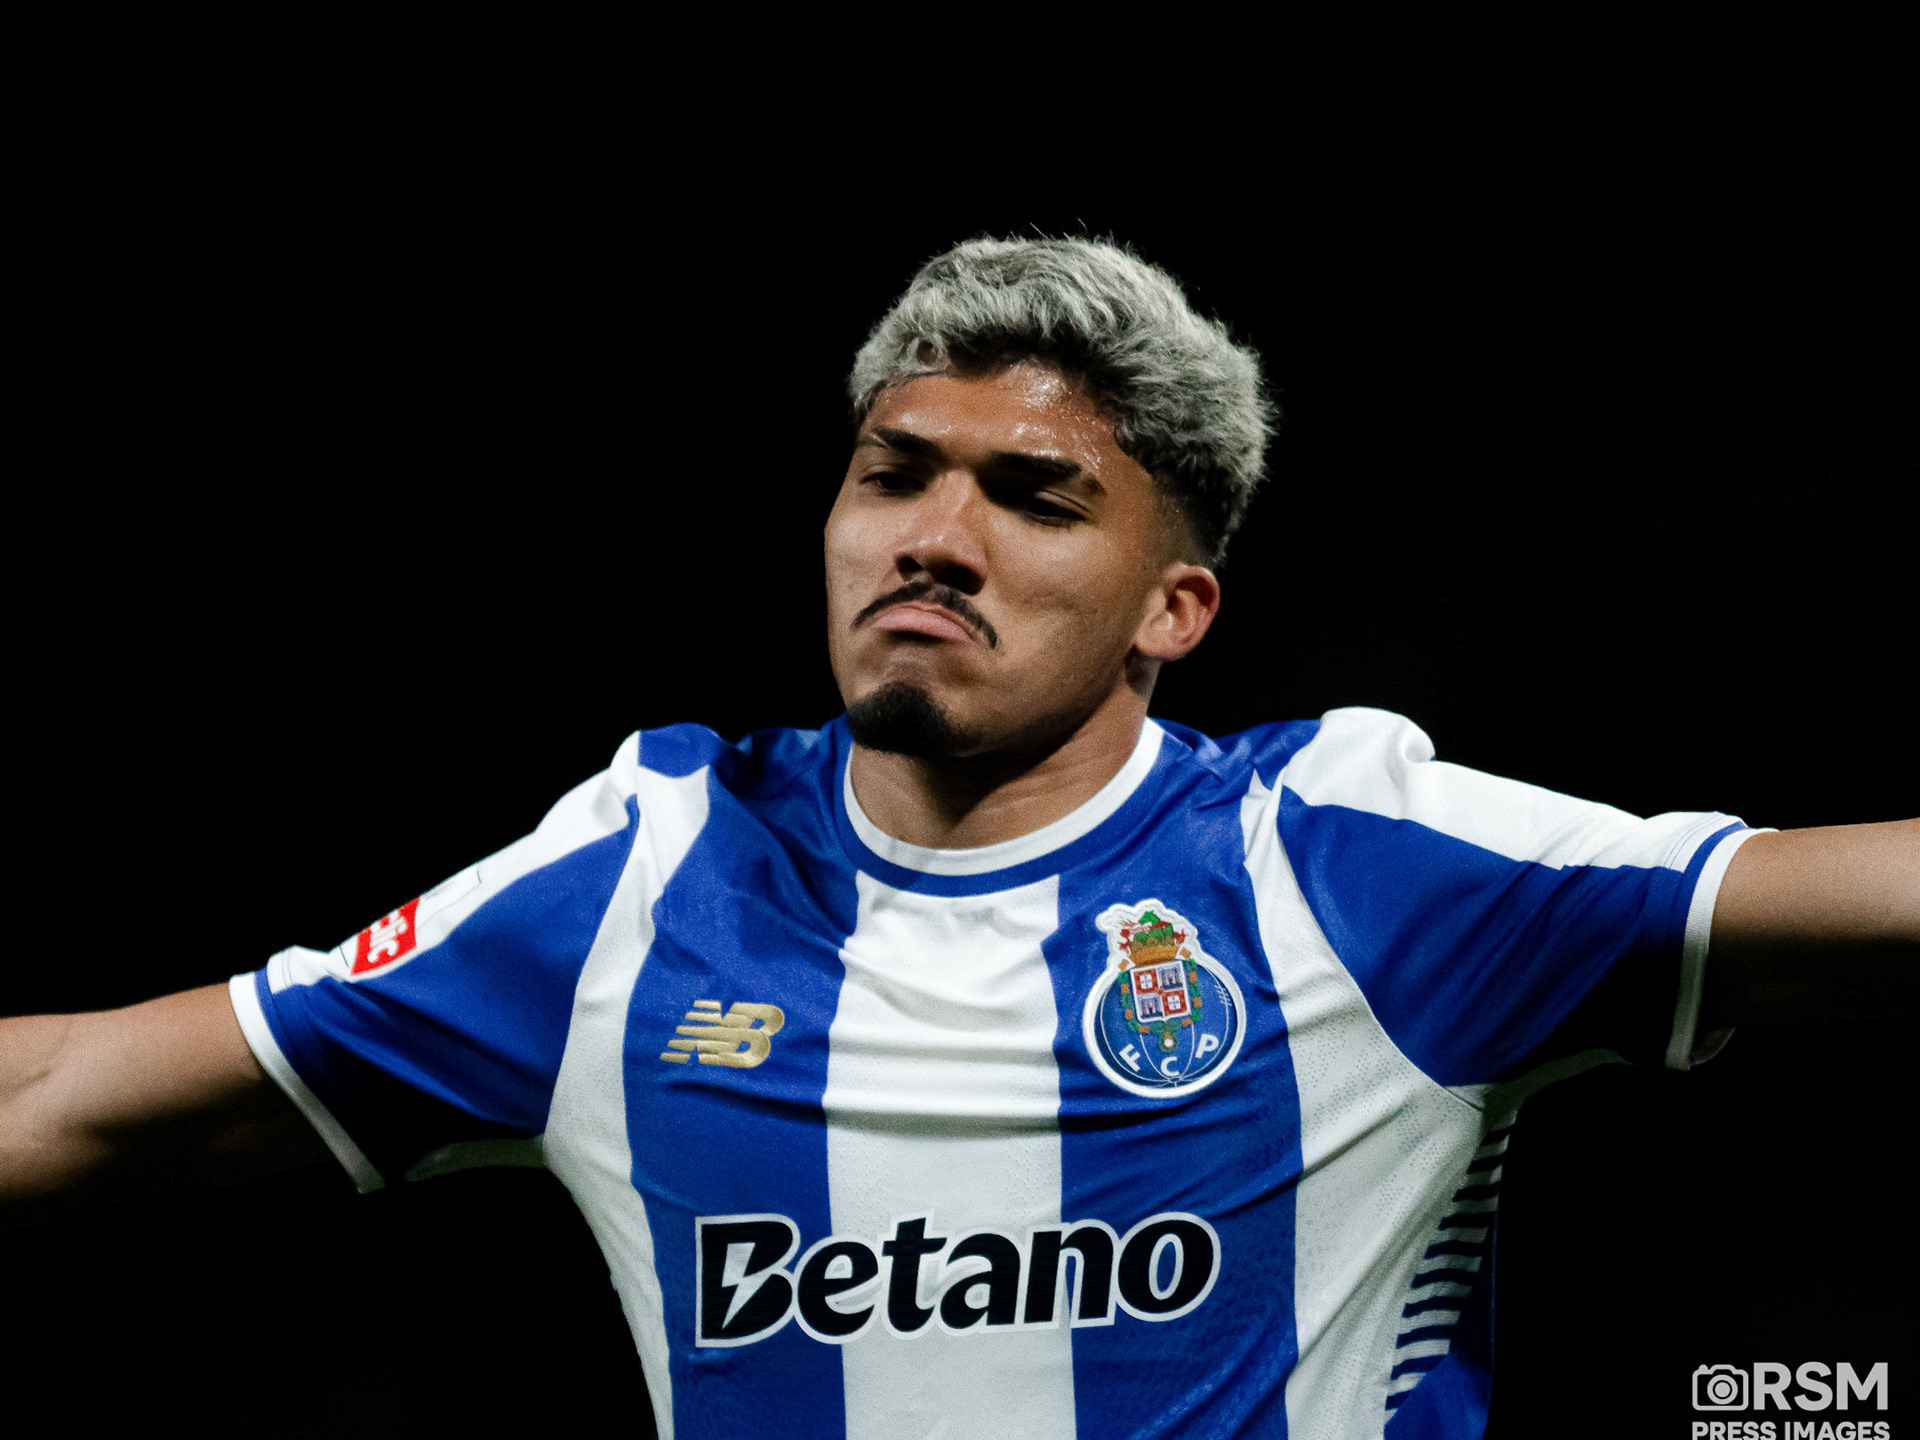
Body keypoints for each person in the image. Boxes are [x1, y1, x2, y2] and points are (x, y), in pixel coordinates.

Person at [2, 236, 1914, 1440]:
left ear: (1173, 610)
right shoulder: (643, 876)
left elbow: (1852, 897)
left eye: (1035, 497)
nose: (935, 536)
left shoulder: (1347, 860)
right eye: (894, 474)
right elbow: (72, 1095)